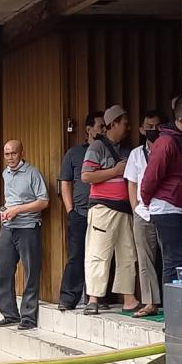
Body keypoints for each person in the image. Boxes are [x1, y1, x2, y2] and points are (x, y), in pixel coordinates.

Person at [81, 105, 140, 315]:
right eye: (124, 123)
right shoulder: (96, 147)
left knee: (127, 254)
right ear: (113, 124)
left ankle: (129, 299)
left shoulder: (129, 149)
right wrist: (114, 171)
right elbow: (86, 176)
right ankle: (93, 298)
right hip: (102, 208)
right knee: (98, 253)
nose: (128, 127)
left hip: (124, 209)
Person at [0, 140, 49, 331]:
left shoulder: (33, 173)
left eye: (13, 153)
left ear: (21, 153)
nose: (10, 158)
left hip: (28, 227)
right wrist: (6, 210)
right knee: (2, 272)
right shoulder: (5, 173)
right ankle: (9, 314)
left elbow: (43, 201)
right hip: (8, 227)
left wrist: (18, 210)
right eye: (7, 154)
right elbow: (11, 200)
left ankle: (28, 318)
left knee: (31, 272)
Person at [142, 96, 182, 313]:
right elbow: (150, 177)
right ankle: (173, 313)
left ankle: (178, 311)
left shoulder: (177, 139)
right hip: (166, 206)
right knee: (174, 259)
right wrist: (148, 201)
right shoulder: (166, 142)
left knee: (178, 258)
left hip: (176, 205)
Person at [57, 111, 104, 311]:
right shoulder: (74, 153)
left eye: (105, 126)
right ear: (88, 129)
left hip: (103, 212)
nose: (103, 130)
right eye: (100, 126)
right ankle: (68, 299)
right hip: (80, 213)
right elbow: (65, 183)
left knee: (100, 256)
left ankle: (99, 298)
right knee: (76, 256)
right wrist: (70, 210)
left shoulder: (109, 150)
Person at [124, 110, 165, 318]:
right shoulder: (136, 154)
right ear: (141, 129)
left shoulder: (168, 148)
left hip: (166, 208)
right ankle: (150, 302)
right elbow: (131, 182)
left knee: (168, 256)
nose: (153, 131)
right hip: (142, 211)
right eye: (148, 127)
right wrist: (135, 208)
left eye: (157, 127)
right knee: (145, 259)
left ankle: (171, 299)